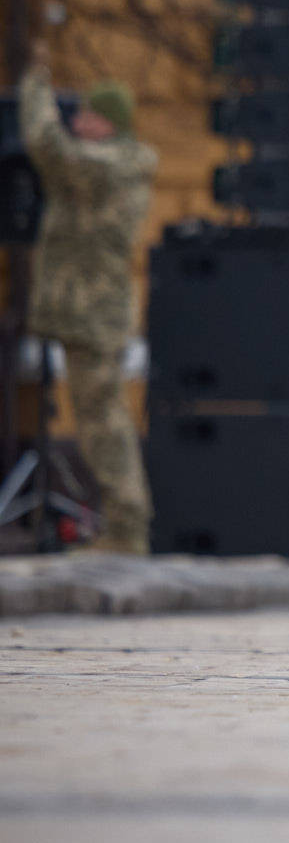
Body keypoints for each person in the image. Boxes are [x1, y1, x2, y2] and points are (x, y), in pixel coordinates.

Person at [15, 63, 157, 555]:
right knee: (100, 417)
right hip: (88, 313)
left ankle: (126, 527)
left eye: (88, 117)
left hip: (93, 315)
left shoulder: (109, 165)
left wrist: (34, 89)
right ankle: (123, 525)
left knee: (102, 422)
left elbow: (48, 148)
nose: (79, 124)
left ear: (110, 123)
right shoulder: (109, 164)